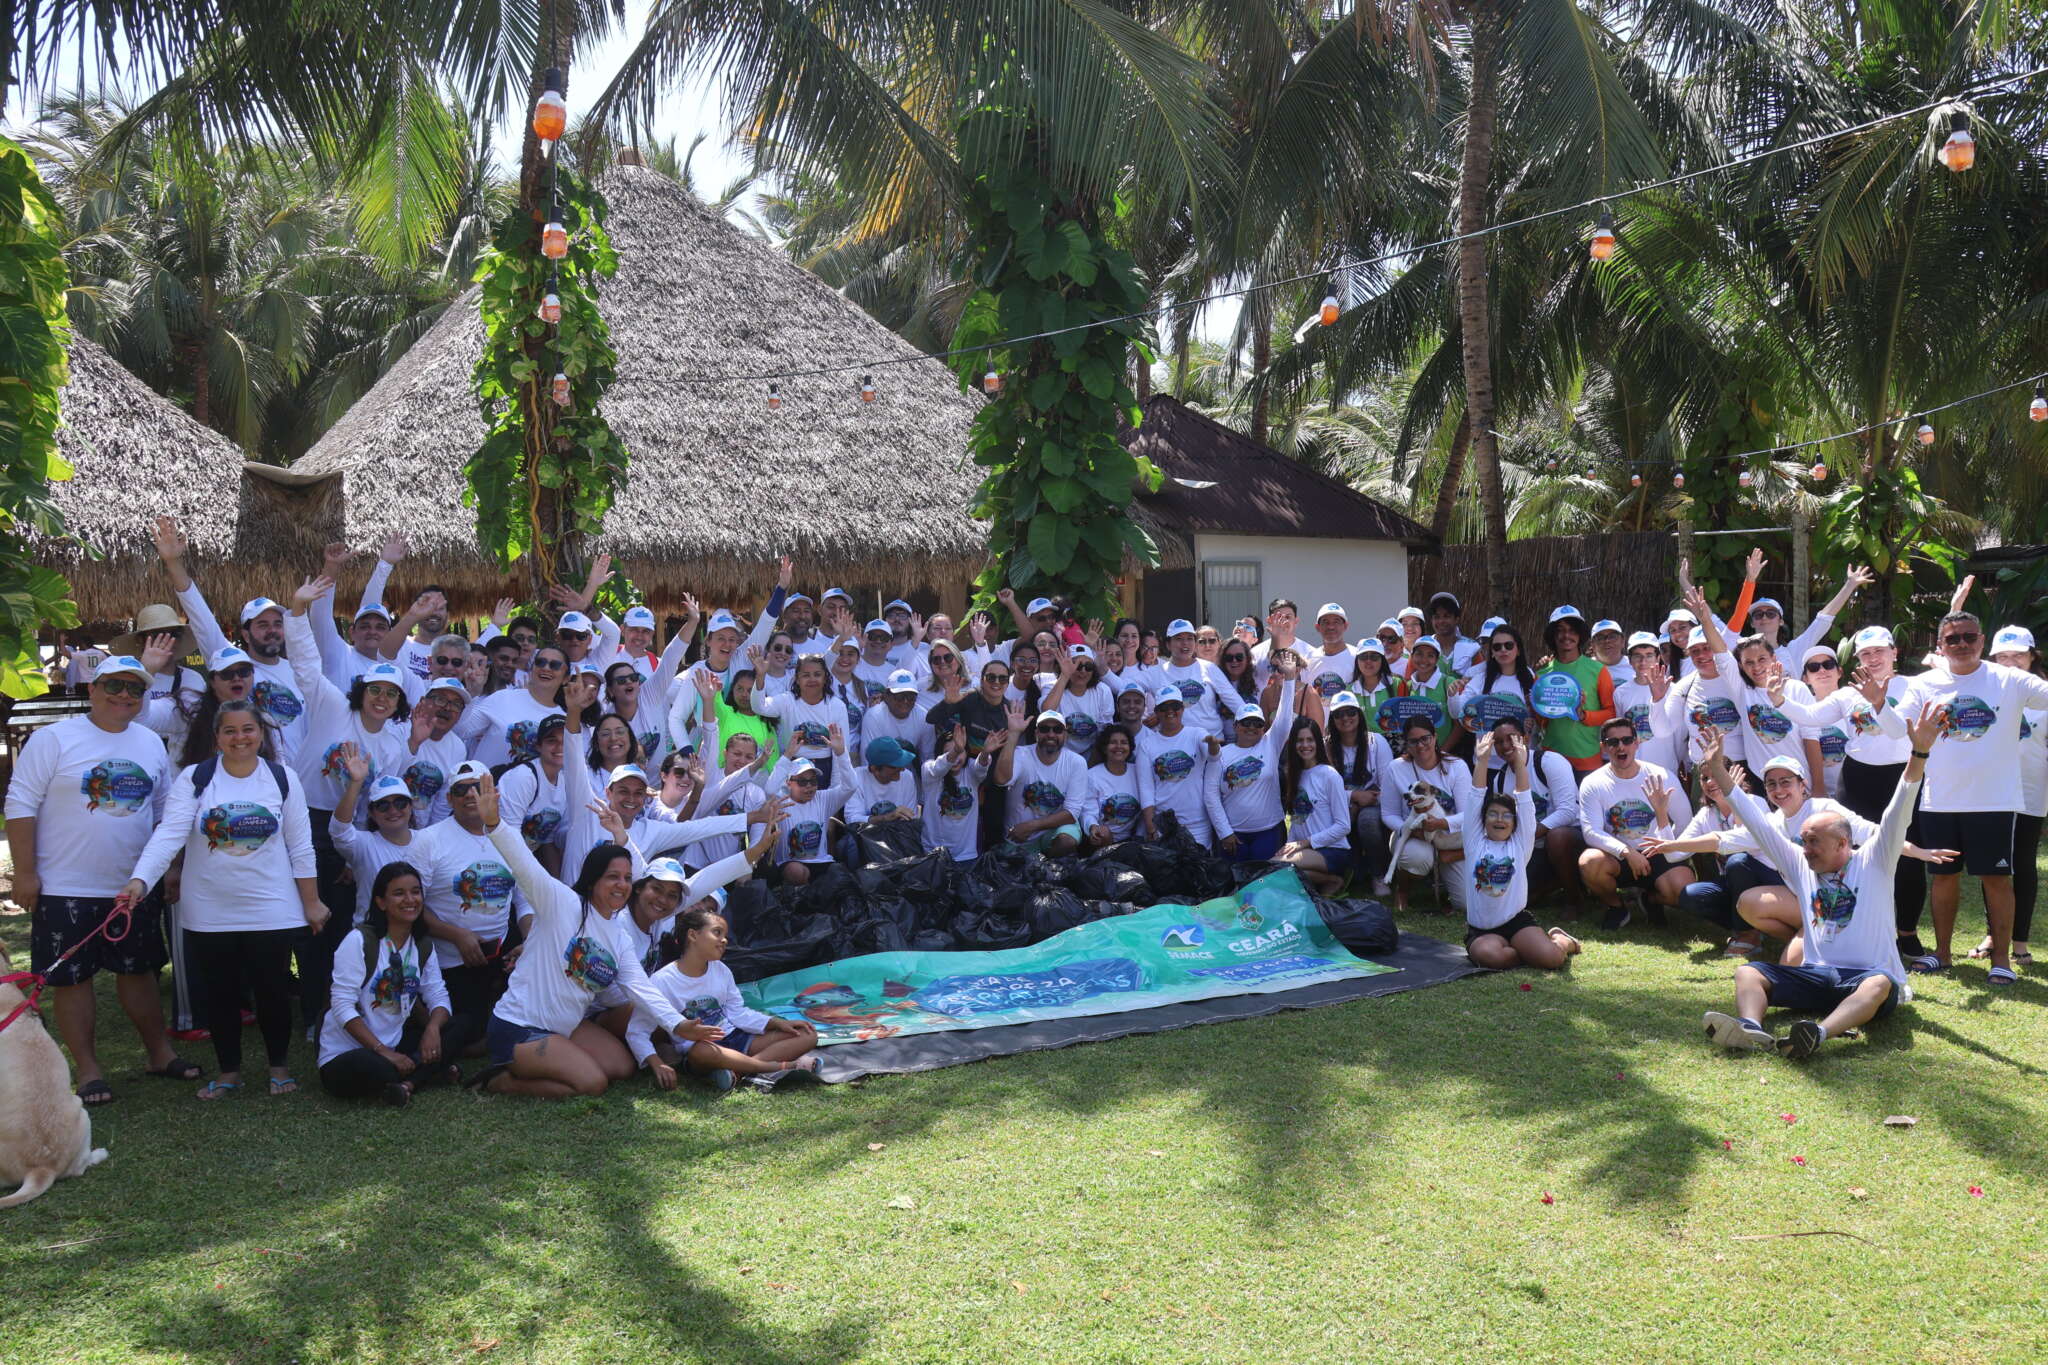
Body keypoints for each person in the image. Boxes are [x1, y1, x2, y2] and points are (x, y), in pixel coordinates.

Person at [1696, 706, 1940, 1058]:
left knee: (1879, 983)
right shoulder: (1800, 864)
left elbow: (1899, 809)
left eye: (1813, 842)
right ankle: (1750, 1028)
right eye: (1804, 840)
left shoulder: (1875, 860)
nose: (1804, 848)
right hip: (1817, 977)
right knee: (1748, 973)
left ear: (1843, 843)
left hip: (1865, 979)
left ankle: (1819, 1033)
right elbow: (1757, 822)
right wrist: (1718, 768)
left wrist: (1918, 755)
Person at [5, 654, 193, 1105]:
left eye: (134, 690)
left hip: (132, 886)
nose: (124, 696)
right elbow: (20, 804)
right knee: (72, 980)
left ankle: (158, 1053)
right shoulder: (53, 739)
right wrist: (26, 873)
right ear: (92, 689)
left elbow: (166, 812)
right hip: (63, 886)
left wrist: (168, 868)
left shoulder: (150, 742)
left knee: (139, 971)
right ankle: (88, 1071)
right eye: (114, 686)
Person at [120, 698, 323, 1098]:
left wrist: (311, 902)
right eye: (229, 731)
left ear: (261, 735)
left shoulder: (283, 779)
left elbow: (302, 847)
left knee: (273, 992)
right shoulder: (195, 779)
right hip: (209, 909)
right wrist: (140, 880)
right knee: (221, 995)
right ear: (216, 738)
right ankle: (229, 1072)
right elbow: (169, 834)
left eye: (247, 729)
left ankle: (278, 1067)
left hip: (272, 908)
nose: (239, 738)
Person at [461, 774, 701, 1097]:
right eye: (612, 877)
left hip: (566, 1028)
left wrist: (677, 1024)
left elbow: (641, 988)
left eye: (627, 878)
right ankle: (500, 1081)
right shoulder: (561, 902)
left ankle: (553, 1057)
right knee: (593, 1082)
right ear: (592, 880)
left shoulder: (618, 937)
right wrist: (494, 823)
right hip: (520, 1026)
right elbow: (522, 864)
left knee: (622, 1067)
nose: (621, 885)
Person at [1880, 607, 2048, 984]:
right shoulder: (1924, 684)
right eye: (1952, 638)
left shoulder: (2010, 680)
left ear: (1982, 642)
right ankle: (1942, 954)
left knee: (1996, 880)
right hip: (1941, 800)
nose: (1961, 644)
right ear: (1941, 645)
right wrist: (1877, 703)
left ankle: (2002, 960)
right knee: (1943, 878)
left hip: (1995, 801)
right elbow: (1894, 729)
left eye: (1969, 637)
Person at [627, 869, 823, 1092]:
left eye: (724, 935)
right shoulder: (663, 981)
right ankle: (777, 1066)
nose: (724, 941)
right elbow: (637, 1031)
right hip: (703, 1050)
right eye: (717, 933)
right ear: (692, 935)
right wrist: (656, 1063)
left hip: (736, 1038)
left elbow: (738, 1013)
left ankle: (739, 1072)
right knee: (701, 1052)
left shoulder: (721, 970)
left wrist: (778, 1024)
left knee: (807, 1034)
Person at [154, 515, 308, 760]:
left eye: (277, 624)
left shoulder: (299, 673)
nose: (272, 630)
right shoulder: (231, 664)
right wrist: (174, 563)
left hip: (293, 783)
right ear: (246, 634)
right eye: (262, 624)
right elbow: (200, 615)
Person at [317, 862, 462, 1104]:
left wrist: (432, 1029)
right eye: (399, 893)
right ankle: (426, 1073)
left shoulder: (422, 945)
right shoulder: (359, 941)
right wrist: (384, 1053)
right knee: (373, 1066)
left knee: (458, 1026)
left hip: (395, 1044)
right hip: (349, 1054)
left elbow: (438, 996)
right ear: (381, 902)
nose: (410, 900)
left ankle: (406, 1084)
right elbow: (342, 1006)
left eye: (415, 892)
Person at [1460, 730, 1581, 969]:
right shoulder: (1474, 842)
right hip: (1483, 929)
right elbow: (1475, 797)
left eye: (1506, 816)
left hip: (1516, 923)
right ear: (1483, 820)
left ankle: (1561, 940)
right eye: (1493, 814)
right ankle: (1523, 950)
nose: (1499, 819)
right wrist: (1482, 760)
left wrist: (1520, 762)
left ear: (1515, 824)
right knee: (1491, 957)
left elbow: (1524, 801)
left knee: (1552, 960)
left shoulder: (1519, 844)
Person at [1576, 717, 1693, 929]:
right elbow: (1591, 832)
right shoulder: (1593, 783)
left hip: (1657, 851)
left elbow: (1685, 822)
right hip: (1617, 855)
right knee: (1589, 862)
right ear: (1603, 748)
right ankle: (1617, 907)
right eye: (1613, 742)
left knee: (1684, 891)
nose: (1621, 747)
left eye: (1627, 740)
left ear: (1637, 743)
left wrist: (1664, 847)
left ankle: (1651, 900)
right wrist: (1627, 852)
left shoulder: (1661, 776)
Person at [1979, 625, 2042, 967]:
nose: (2011, 662)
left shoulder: (2043, 695)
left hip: (2032, 792)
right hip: (1991, 793)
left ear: (2032, 657)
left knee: (2023, 865)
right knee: (1992, 865)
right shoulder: (1984, 690)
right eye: (2002, 656)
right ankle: (1993, 935)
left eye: (2018, 655)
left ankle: (2018, 942)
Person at [1210, 664, 1304, 863]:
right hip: (1234, 835)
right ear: (1235, 726)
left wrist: (1289, 679)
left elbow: (1284, 717)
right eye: (1246, 723)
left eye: (1257, 723)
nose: (1251, 728)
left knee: (1265, 883)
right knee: (1237, 888)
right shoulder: (1221, 754)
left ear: (1264, 727)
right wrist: (1224, 832)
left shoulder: (1271, 743)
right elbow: (1210, 796)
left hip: (1269, 831)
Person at [1380, 714, 1472, 913]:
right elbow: (1388, 814)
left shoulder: (1457, 766)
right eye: (1413, 741)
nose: (1420, 745)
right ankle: (1403, 890)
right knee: (1417, 858)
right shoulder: (1395, 768)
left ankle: (1444, 884)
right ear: (1406, 743)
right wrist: (1410, 830)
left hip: (1448, 836)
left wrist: (1440, 824)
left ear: (1435, 737)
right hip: (1413, 834)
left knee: (1466, 904)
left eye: (1425, 738)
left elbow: (1468, 814)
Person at [328, 751, 421, 927]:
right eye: (383, 805)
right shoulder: (364, 844)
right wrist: (356, 783)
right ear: (372, 813)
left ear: (411, 806)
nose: (393, 810)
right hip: (372, 937)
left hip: (417, 937)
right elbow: (339, 830)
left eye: (400, 803)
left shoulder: (428, 840)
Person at [456, 641, 569, 769]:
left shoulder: (563, 719)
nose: (546, 668)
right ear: (532, 669)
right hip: (483, 786)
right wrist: (472, 693)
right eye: (540, 662)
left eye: (555, 665)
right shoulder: (503, 697)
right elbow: (461, 730)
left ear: (566, 678)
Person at [1533, 605, 1616, 777]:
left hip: (1587, 760)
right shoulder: (1541, 675)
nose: (1566, 636)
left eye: (1572, 630)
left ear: (1580, 635)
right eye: (1560, 630)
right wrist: (1534, 707)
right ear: (1553, 636)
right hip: (1551, 758)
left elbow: (1611, 713)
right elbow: (1542, 722)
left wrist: (1584, 715)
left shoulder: (1598, 670)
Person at [1135, 691, 1227, 845]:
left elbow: (1214, 757)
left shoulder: (1197, 734)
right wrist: (1151, 827)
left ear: (1182, 709)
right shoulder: (1146, 745)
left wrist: (1213, 746)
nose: (1170, 711)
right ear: (1156, 712)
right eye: (1164, 708)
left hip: (1198, 824)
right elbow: (1146, 789)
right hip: (1164, 826)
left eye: (1175, 706)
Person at [995, 705, 1087, 855]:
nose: (1051, 734)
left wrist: (1031, 826)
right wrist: (1013, 734)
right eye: (1044, 729)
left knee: (1066, 841)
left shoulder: (1077, 762)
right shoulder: (1020, 754)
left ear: (1065, 735)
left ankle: (1048, 869)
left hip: (1051, 831)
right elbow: (1001, 780)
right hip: (1018, 836)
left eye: (1057, 730)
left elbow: (1071, 813)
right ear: (1036, 733)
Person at [1324, 691, 1392, 891]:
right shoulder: (1324, 746)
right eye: (1339, 714)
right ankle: (1345, 871)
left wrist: (1363, 801)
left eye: (1350, 712)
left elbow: (1387, 785)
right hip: (1338, 804)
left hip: (1373, 802)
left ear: (1359, 715)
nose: (1346, 718)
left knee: (1367, 821)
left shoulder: (1376, 742)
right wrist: (1353, 796)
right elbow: (1323, 789)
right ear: (1332, 719)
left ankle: (1379, 873)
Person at [1276, 716, 1351, 894]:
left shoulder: (1330, 776)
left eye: (1310, 740)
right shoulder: (1294, 775)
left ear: (1318, 742)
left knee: (1276, 867)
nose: (1305, 745)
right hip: (1306, 850)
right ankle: (1331, 881)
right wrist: (1288, 846)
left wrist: (1304, 843)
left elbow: (1343, 826)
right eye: (1300, 740)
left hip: (1333, 850)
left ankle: (1334, 879)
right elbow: (1297, 820)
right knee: (1276, 869)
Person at [772, 745, 854, 886]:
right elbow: (769, 788)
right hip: (791, 864)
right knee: (797, 872)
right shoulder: (781, 801)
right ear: (788, 783)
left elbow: (851, 786)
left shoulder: (824, 798)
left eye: (813, 781)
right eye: (802, 782)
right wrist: (787, 755)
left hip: (822, 862)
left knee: (841, 876)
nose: (809, 786)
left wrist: (841, 753)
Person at [924, 722, 1001, 860]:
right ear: (939, 754)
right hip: (931, 854)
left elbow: (981, 769)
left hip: (965, 856)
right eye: (948, 751)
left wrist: (985, 753)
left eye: (961, 752)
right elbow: (939, 768)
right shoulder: (929, 769)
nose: (957, 758)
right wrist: (956, 751)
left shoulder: (971, 770)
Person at [1158, 618, 1232, 742]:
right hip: (1177, 745)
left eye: (1189, 638)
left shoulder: (1209, 668)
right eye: (1179, 639)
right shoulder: (1157, 672)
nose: (1185, 643)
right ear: (1168, 644)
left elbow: (1234, 701)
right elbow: (1123, 687)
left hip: (1212, 742)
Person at [1080, 724, 1144, 848]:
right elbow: (1088, 812)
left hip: (1135, 838)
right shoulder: (1092, 776)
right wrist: (1093, 828)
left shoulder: (1139, 772)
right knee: (1103, 832)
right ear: (1104, 748)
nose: (1119, 746)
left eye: (1124, 742)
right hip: (1103, 839)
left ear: (1130, 747)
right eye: (1113, 742)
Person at [847, 737, 921, 827]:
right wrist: (886, 818)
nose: (902, 769)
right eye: (895, 766)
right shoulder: (856, 777)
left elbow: (911, 817)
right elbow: (852, 820)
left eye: (902, 763)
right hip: (864, 837)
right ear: (875, 769)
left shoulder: (907, 776)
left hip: (899, 835)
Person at [1426, 591, 1482, 677]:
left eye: (1446, 616)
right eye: (1436, 617)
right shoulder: (1423, 646)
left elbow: (1481, 680)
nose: (1441, 621)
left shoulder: (1471, 649)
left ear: (1456, 619)